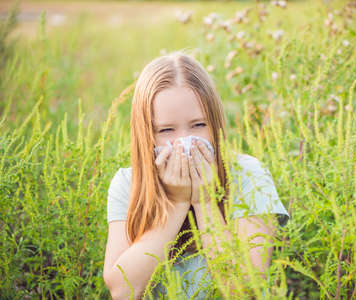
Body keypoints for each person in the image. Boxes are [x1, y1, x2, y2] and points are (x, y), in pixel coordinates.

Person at [103, 51, 290, 299]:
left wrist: (203, 202)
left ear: (215, 123)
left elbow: (244, 290)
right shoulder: (128, 183)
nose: (184, 142)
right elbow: (122, 290)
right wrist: (177, 202)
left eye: (198, 125)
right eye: (166, 130)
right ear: (147, 135)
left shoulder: (248, 176)